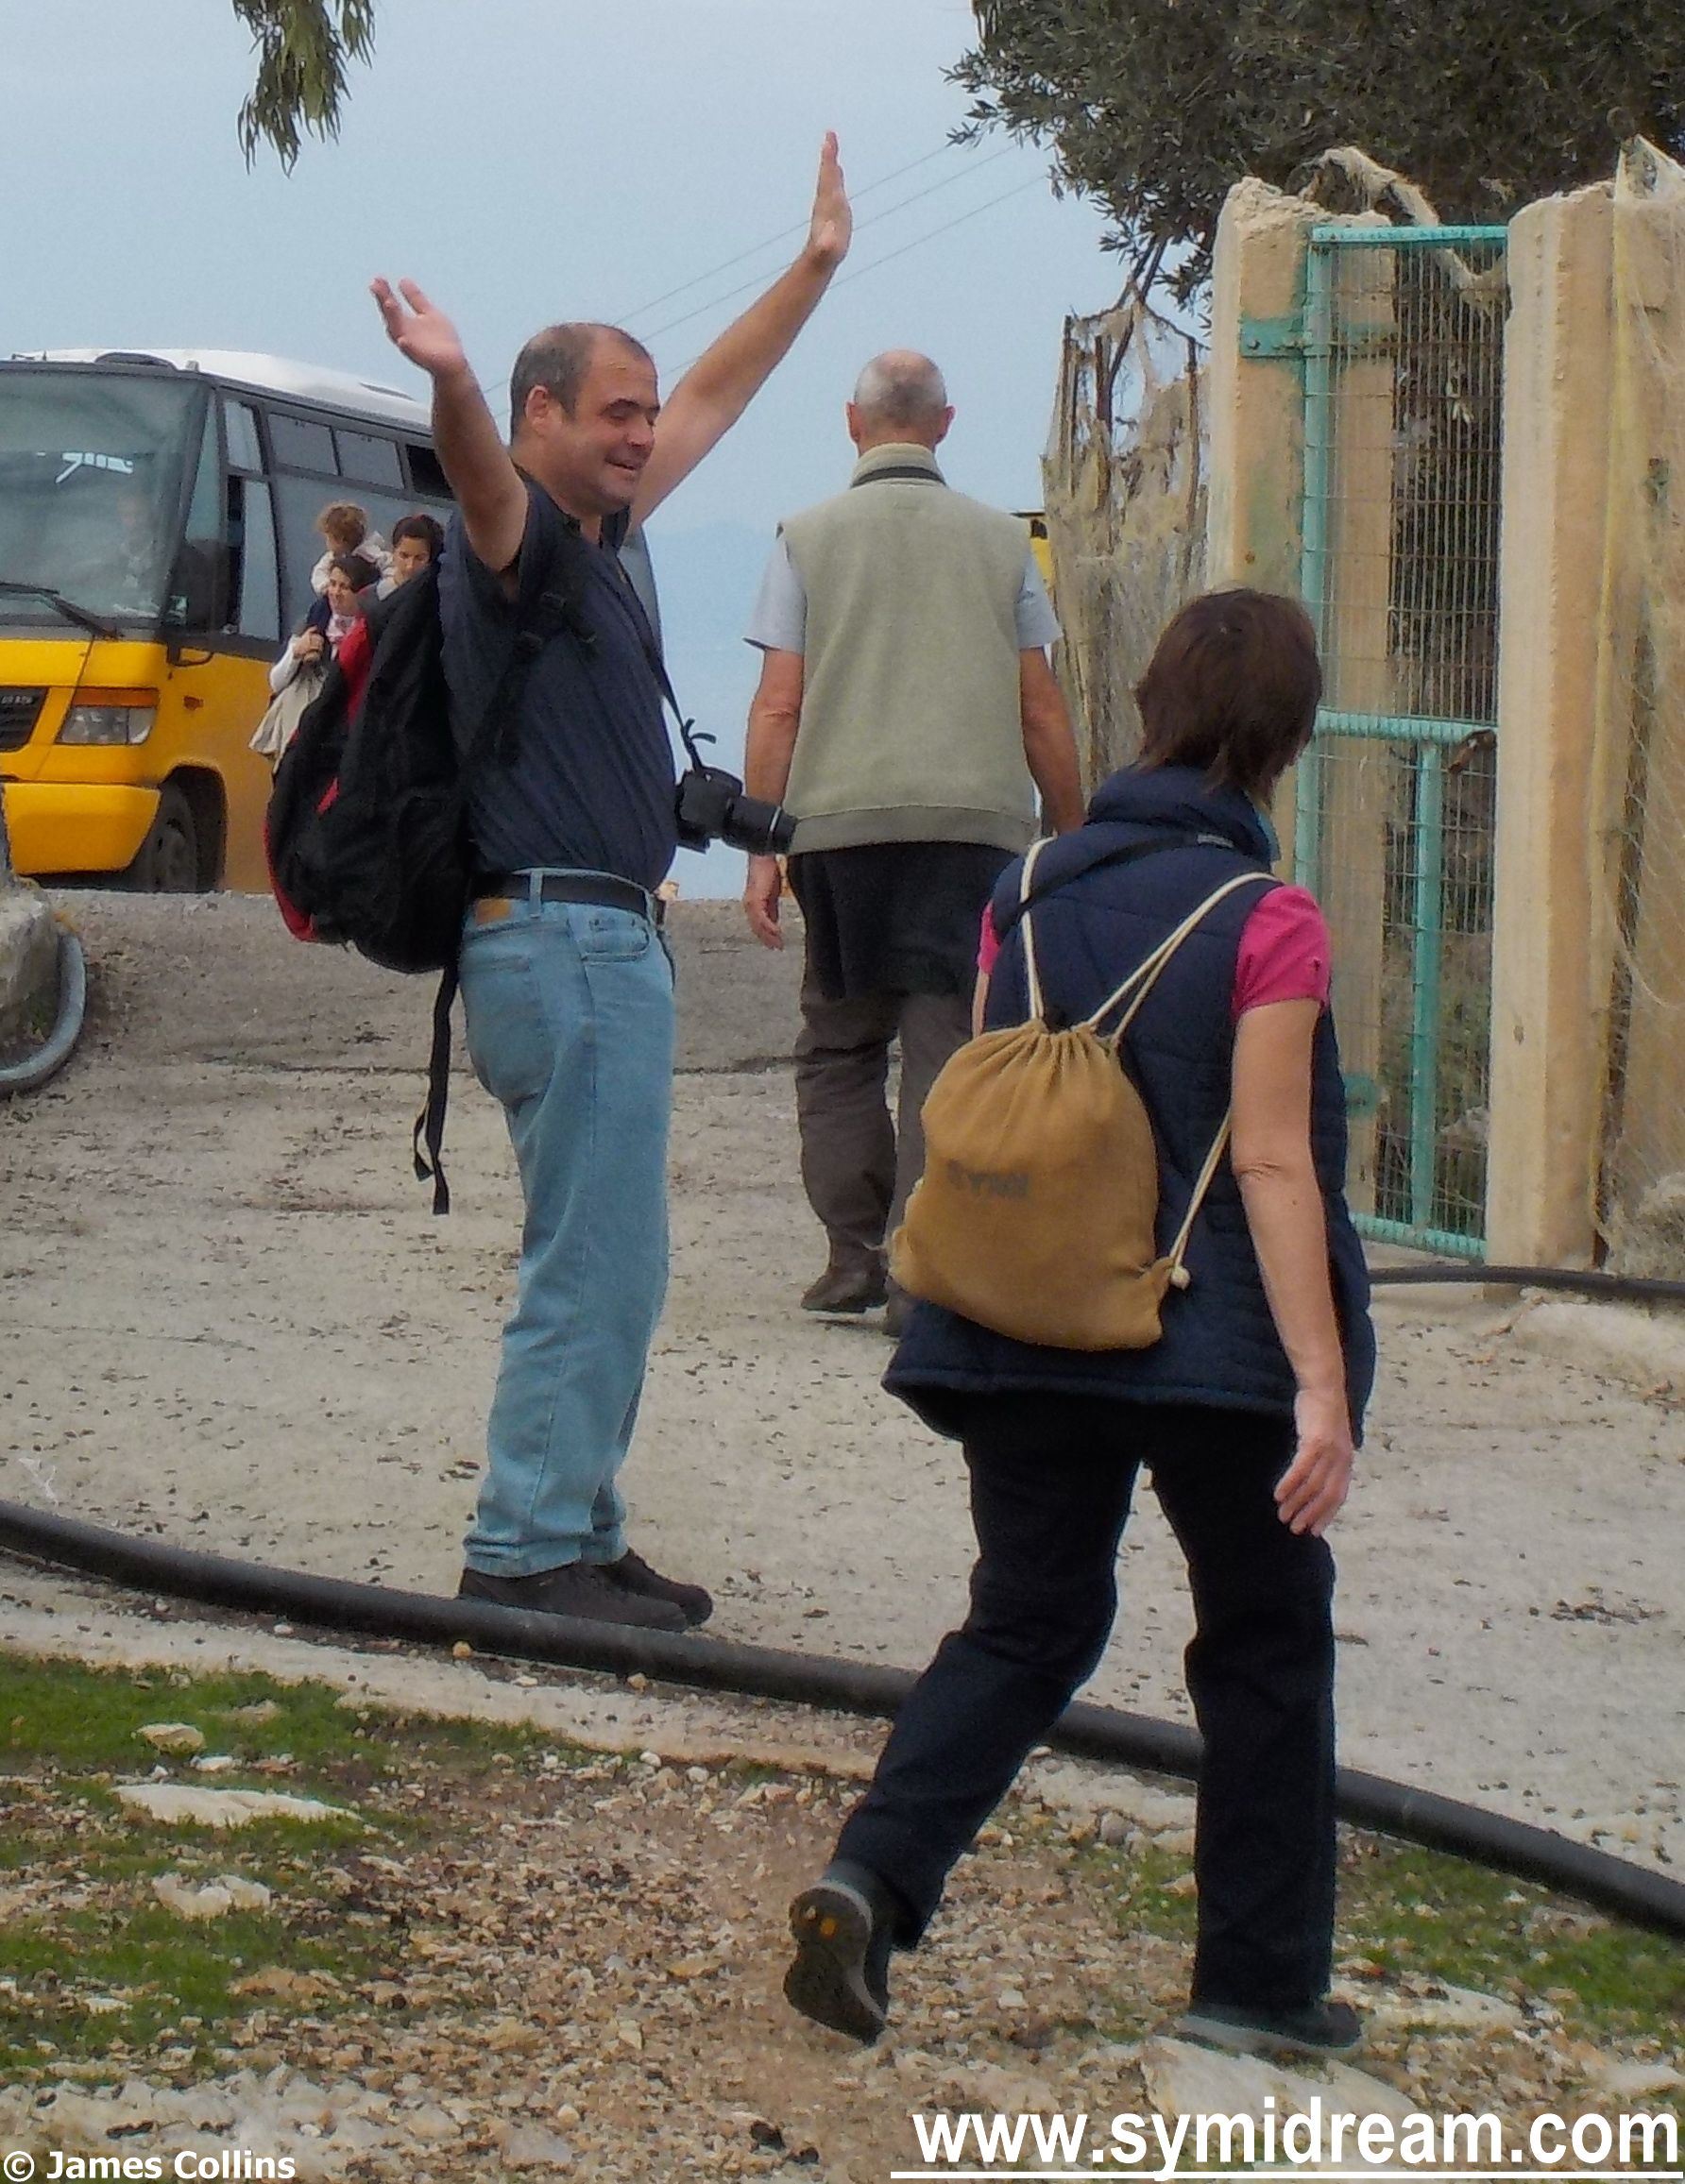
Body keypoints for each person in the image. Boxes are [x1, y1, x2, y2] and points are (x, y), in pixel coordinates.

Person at [780, 590, 1377, 2061]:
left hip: (1028, 1319)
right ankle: (1255, 1987)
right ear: (1285, 744)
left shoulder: (1026, 891)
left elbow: (1011, 1083)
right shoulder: (1270, 919)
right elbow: (1273, 1161)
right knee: (1264, 1637)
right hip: (1208, 1344)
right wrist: (1322, 1384)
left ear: (1152, 714)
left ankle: (872, 1879)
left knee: (1028, 1618)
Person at [371, 136, 854, 1633]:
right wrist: (453, 381)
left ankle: (581, 1522)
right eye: (615, 413)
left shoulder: (602, 539)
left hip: (595, 941)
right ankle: (524, 1550)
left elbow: (716, 394)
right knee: (589, 1262)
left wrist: (814, 267)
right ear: (544, 418)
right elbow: (473, 465)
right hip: (563, 939)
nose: (646, 433)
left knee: (619, 1263)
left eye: (645, 413)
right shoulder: (513, 538)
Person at [741, 352, 1083, 1329]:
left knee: (839, 1045)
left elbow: (778, 705)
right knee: (947, 1047)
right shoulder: (1001, 542)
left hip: (840, 834)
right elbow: (1039, 705)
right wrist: (1071, 837)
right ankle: (920, 1267)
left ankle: (852, 1254)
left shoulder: (804, 538)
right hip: (970, 835)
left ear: (852, 423)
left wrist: (762, 847)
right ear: (945, 423)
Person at [310, 501, 390, 594]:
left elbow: (388, 565)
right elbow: (319, 573)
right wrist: (329, 587)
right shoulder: (332, 557)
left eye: (328, 538)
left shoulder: (370, 554)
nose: (326, 542)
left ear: (340, 539)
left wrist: (384, 589)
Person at [379, 512, 446, 596]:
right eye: (404, 556)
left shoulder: (440, 597)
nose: (410, 566)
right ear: (393, 552)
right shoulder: (373, 596)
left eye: (419, 558)